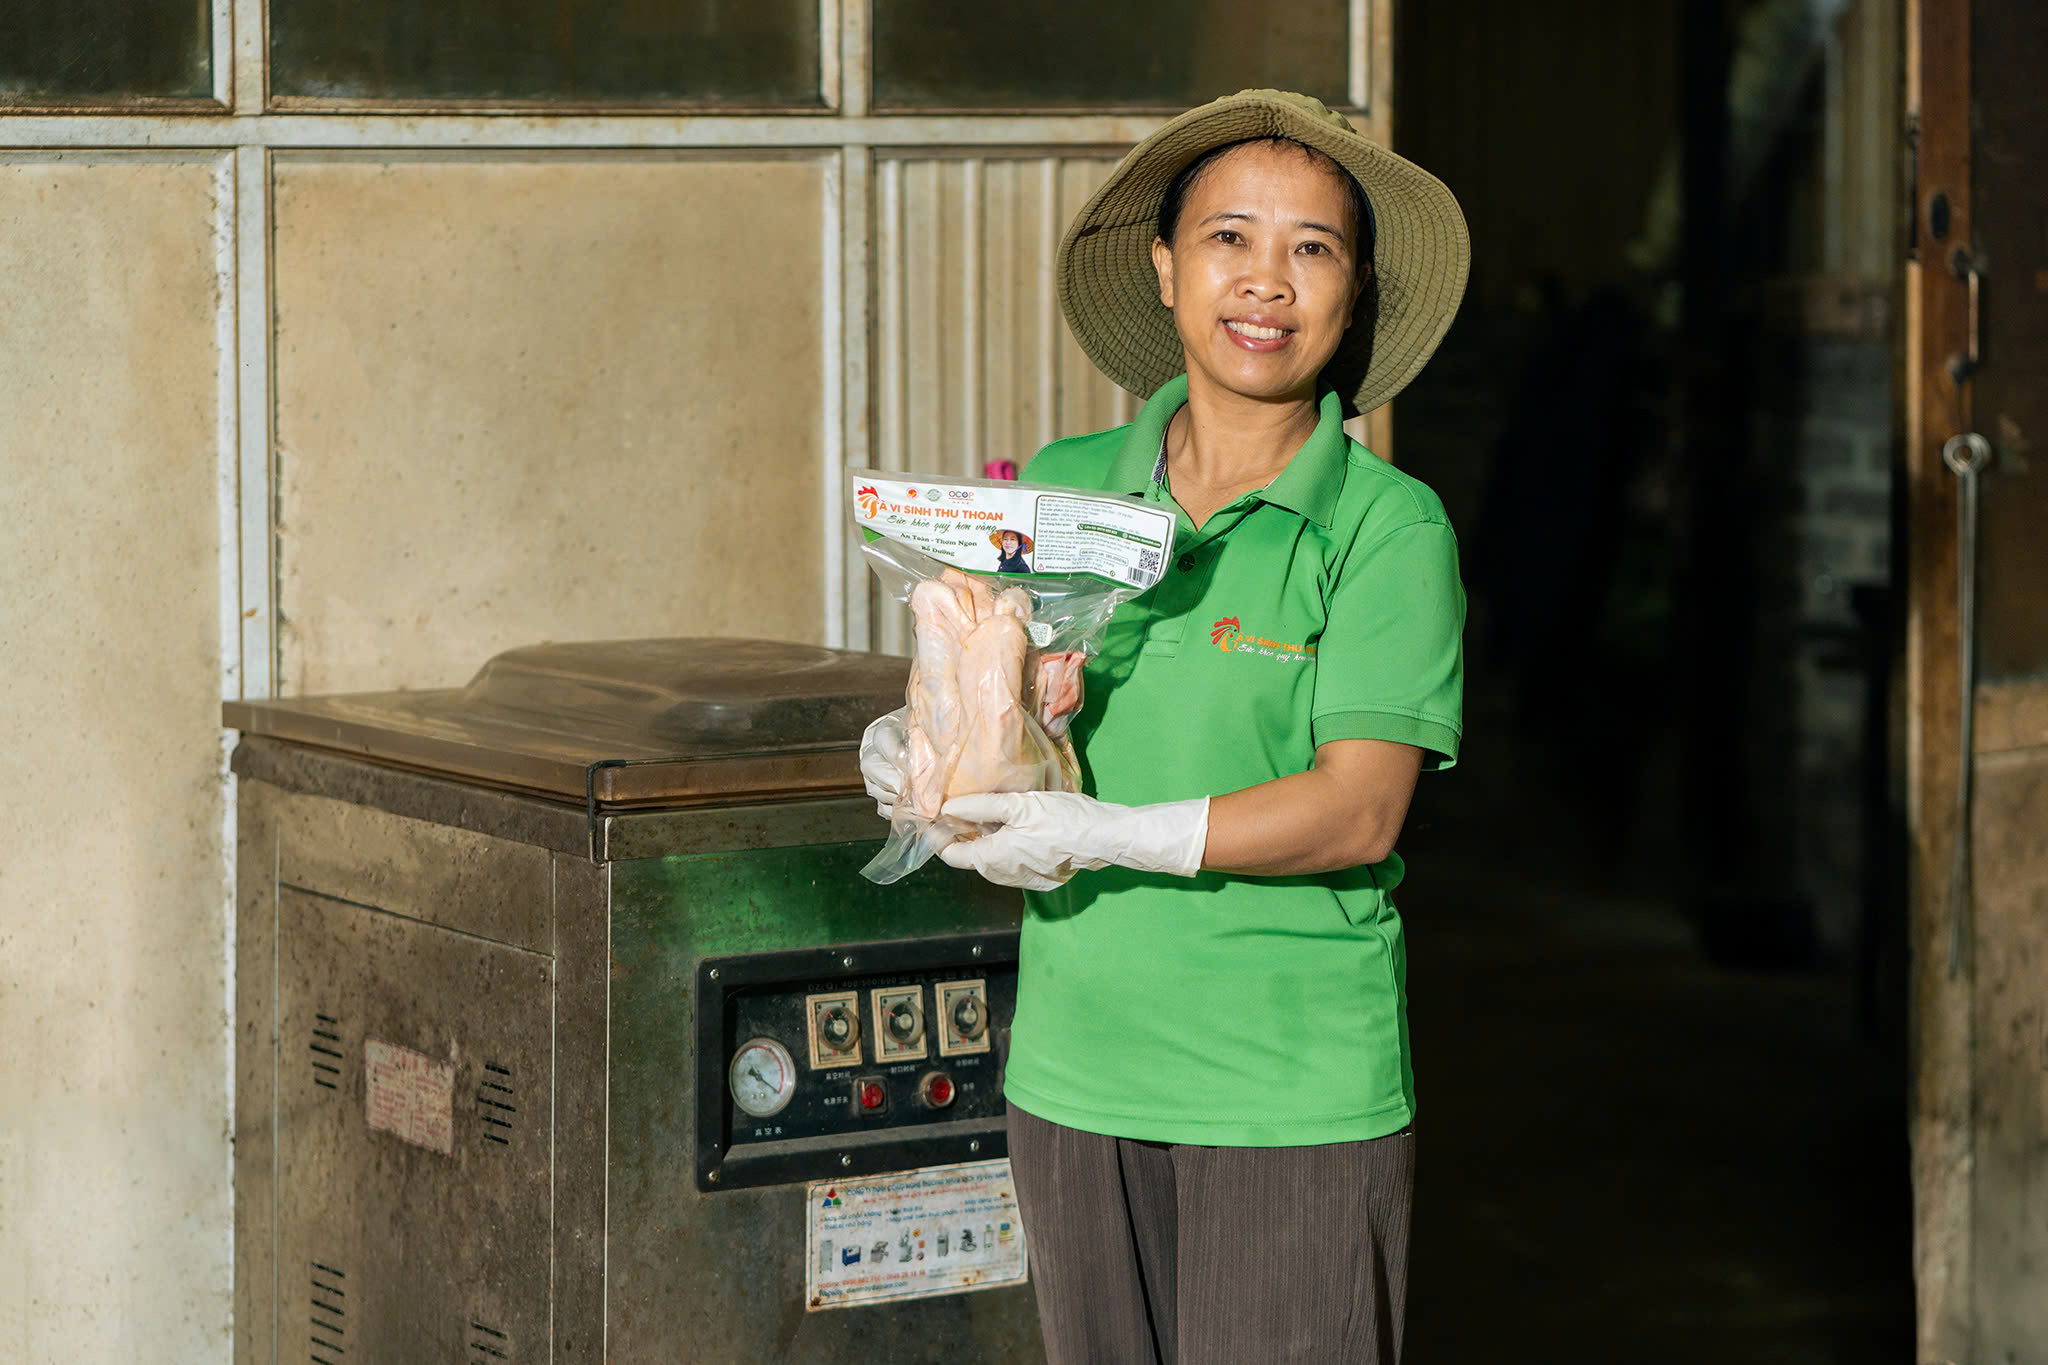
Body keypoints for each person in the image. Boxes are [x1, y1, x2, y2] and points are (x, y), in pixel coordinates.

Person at [863, 89, 1468, 1364]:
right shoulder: (1064, 486)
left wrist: (1112, 830)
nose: (1265, 282)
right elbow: (1014, 734)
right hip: (1075, 1073)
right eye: (1226, 237)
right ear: (1163, 267)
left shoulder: (1385, 526)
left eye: (1311, 249)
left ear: (1353, 292)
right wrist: (939, 761)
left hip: (1287, 1093)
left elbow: (1358, 809)